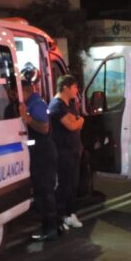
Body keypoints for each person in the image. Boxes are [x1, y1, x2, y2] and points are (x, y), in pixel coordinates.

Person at [20, 78, 59, 242]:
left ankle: (50, 229)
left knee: (45, 192)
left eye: (18, 90)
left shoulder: (36, 104)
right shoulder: (33, 103)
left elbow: (44, 128)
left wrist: (27, 118)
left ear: (26, 90)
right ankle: (52, 226)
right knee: (42, 192)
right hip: (39, 154)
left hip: (44, 155)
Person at [48, 75, 84, 230]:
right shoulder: (57, 105)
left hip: (74, 150)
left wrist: (77, 121)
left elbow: (76, 121)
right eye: (75, 87)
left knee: (73, 184)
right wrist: (78, 121)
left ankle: (71, 213)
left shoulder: (69, 104)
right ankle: (61, 216)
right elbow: (72, 125)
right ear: (65, 87)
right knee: (64, 185)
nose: (77, 90)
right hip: (63, 152)